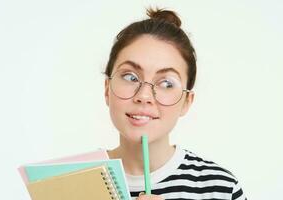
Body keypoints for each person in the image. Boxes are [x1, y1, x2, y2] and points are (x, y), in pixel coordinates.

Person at [103, 7, 247, 200]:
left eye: (166, 83)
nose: (144, 96)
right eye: (130, 77)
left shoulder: (220, 189)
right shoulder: (69, 182)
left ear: (187, 101)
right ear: (107, 89)